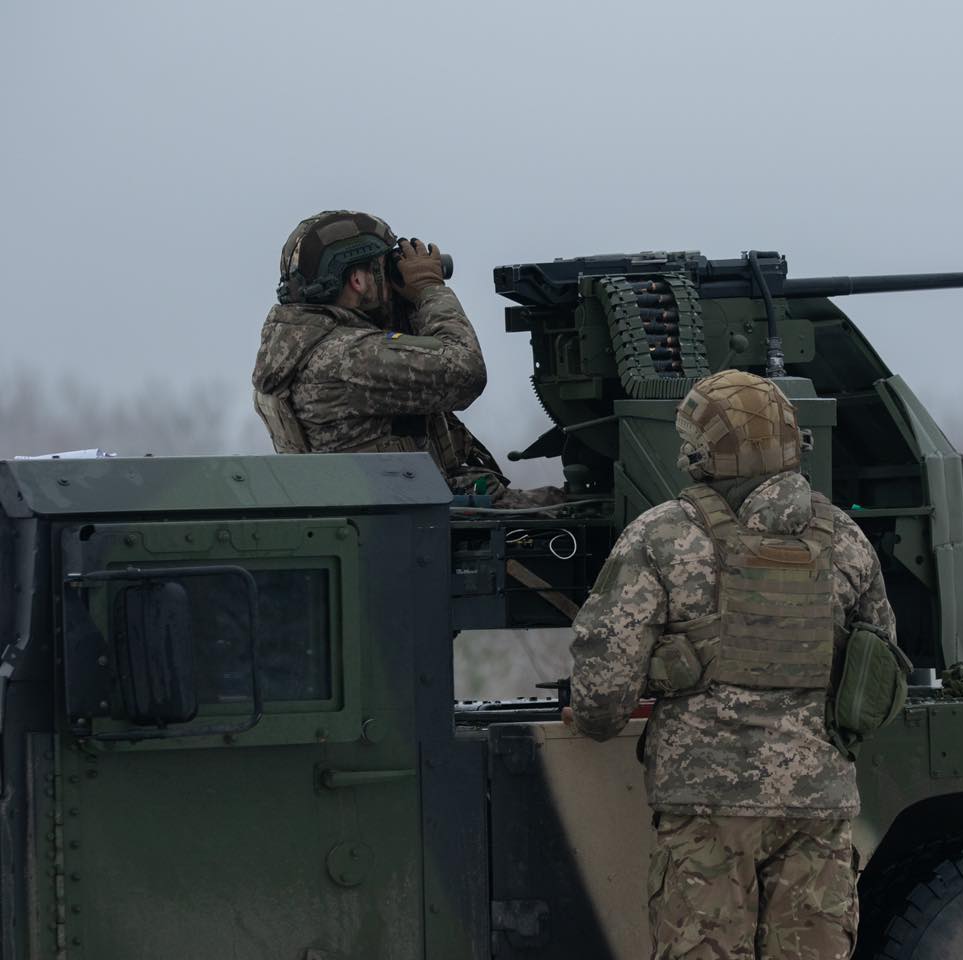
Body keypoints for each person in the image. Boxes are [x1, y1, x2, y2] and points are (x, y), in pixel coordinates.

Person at [567, 370, 897, 960]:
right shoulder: (845, 539)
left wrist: (603, 714)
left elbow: (604, 685)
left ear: (700, 451)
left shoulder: (661, 536)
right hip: (819, 807)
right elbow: (879, 672)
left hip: (705, 811)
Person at [251, 209, 560, 505]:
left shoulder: (301, 349)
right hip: (422, 525)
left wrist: (401, 305)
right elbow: (465, 371)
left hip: (392, 515)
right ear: (358, 280)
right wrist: (429, 290)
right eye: (385, 269)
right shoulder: (346, 357)